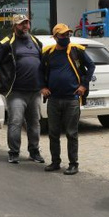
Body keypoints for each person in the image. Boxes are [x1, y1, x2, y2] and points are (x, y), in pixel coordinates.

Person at [0, 14, 45, 164]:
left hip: (35, 91)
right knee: (16, 122)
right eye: (21, 24)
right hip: (15, 91)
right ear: (14, 26)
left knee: (34, 123)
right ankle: (14, 153)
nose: (25, 26)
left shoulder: (35, 41)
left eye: (27, 23)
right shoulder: (7, 42)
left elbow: (43, 61)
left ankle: (34, 152)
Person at [41, 23, 95, 175]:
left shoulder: (76, 50)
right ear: (55, 37)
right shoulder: (48, 53)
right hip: (53, 99)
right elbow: (40, 71)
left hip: (72, 99)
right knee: (53, 133)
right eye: (63, 35)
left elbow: (91, 66)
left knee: (71, 133)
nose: (66, 37)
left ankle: (73, 164)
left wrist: (83, 85)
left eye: (68, 34)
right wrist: (42, 87)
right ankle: (55, 162)